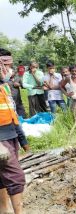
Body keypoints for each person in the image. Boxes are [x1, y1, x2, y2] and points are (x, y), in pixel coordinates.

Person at [0, 48, 25, 214]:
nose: (7, 69)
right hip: (1, 141)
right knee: (16, 178)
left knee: (2, 178)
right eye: (4, 65)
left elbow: (12, 113)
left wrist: (22, 139)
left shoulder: (4, 87)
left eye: (7, 65)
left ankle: (4, 210)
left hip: (11, 135)